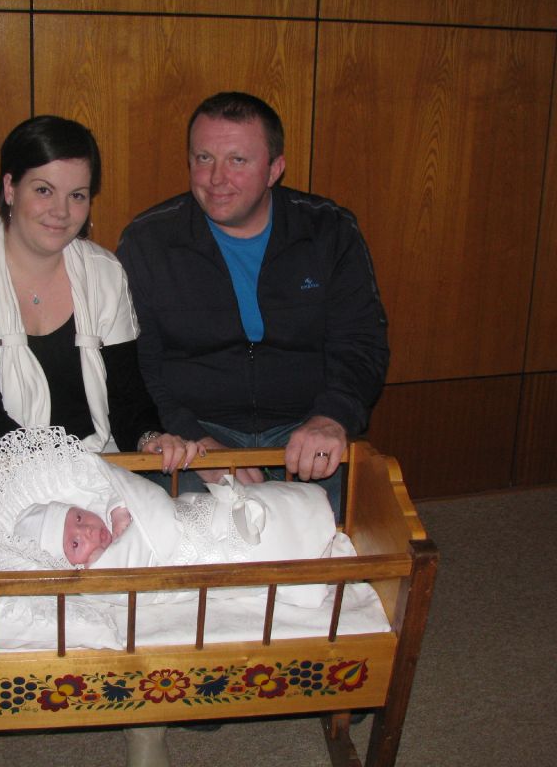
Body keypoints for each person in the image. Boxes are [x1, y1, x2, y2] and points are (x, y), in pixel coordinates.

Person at [115, 93, 389, 513]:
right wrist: (193, 438)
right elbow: (139, 365)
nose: (216, 179)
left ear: (274, 169)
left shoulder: (329, 230)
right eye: (203, 158)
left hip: (306, 426)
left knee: (343, 530)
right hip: (194, 434)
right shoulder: (148, 241)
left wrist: (331, 417)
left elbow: (362, 342)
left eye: (237, 161)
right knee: (186, 535)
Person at [0, 115, 199, 473]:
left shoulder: (105, 272)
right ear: (10, 188)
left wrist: (150, 437)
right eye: (43, 190)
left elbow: (127, 397)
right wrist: (69, 481)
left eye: (77, 196)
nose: (61, 211)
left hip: (96, 466)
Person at [13, 470, 338, 572]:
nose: (86, 530)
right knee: (262, 546)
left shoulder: (110, 509)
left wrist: (119, 511)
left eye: (78, 517)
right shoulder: (92, 573)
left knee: (252, 508)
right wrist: (101, 563)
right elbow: (119, 586)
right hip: (196, 555)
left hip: (193, 514)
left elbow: (135, 492)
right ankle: (308, 543)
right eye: (75, 543)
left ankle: (304, 512)